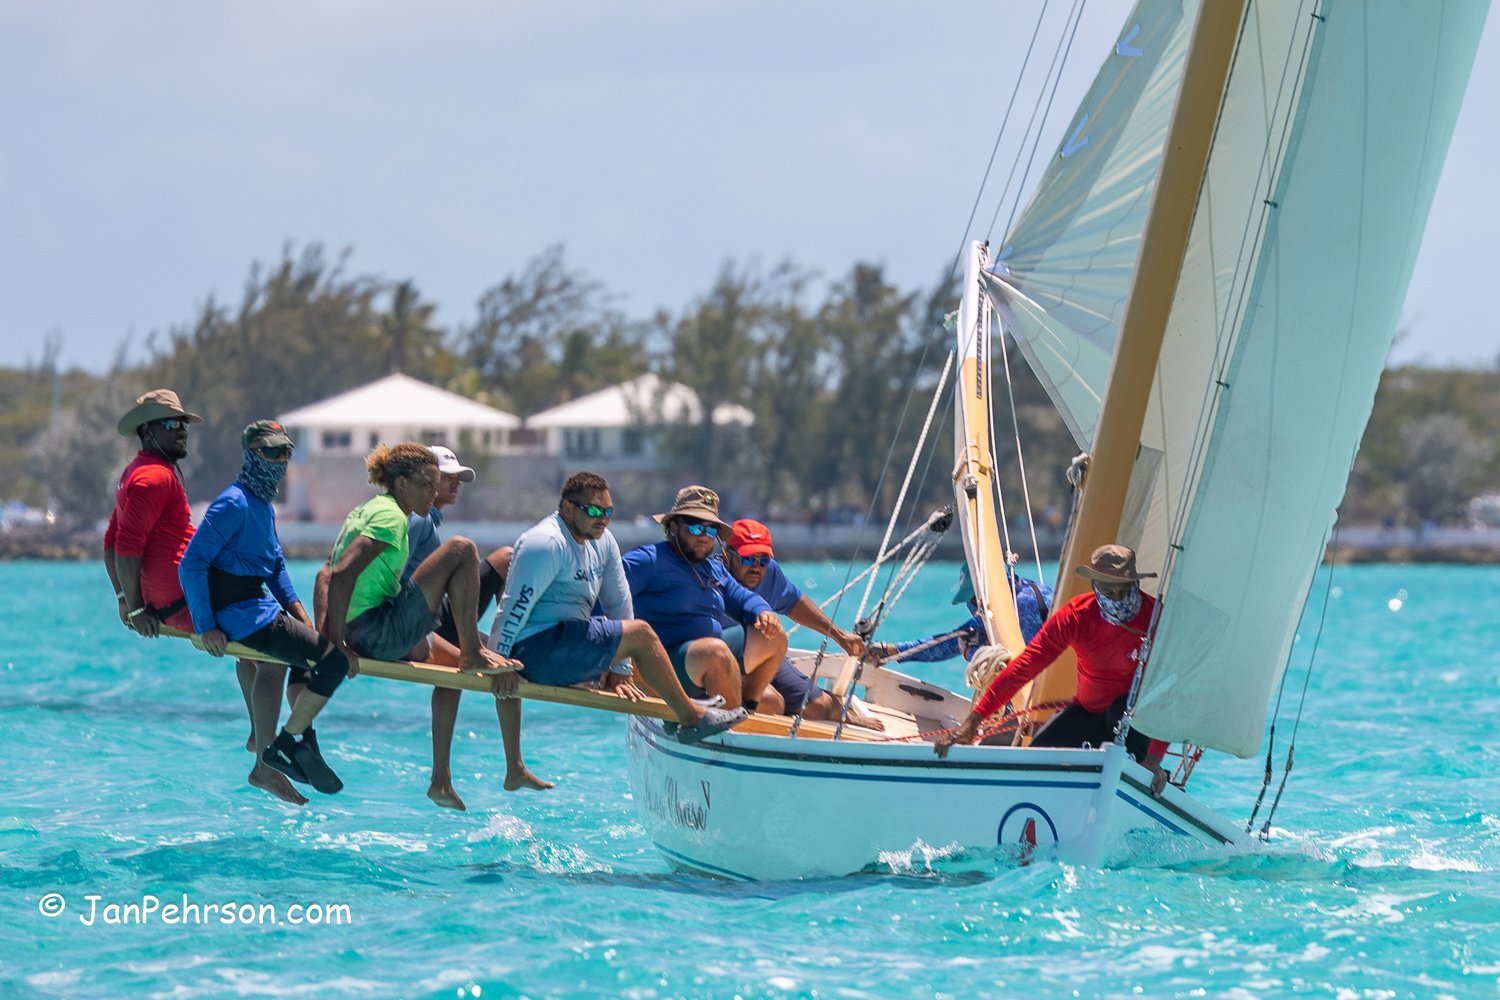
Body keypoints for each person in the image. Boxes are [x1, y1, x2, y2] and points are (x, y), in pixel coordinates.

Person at [489, 472, 747, 749]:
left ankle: (676, 708)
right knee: (642, 633)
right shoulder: (545, 544)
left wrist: (621, 669)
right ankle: (690, 715)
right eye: (592, 510)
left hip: (568, 644)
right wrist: (499, 664)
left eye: (608, 511)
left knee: (637, 633)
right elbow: (512, 608)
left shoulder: (604, 540)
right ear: (567, 508)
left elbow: (619, 603)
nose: (602, 518)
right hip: (535, 651)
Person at [179, 421, 349, 801]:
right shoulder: (233, 503)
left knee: (277, 662)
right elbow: (191, 565)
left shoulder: (262, 505)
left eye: (286, 452)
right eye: (271, 452)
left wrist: (300, 614)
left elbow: (275, 568)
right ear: (251, 454)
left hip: (257, 607)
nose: (280, 459)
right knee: (332, 663)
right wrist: (206, 626)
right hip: (236, 613)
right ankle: (283, 746)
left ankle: (268, 742)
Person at [104, 389, 264, 760]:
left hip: (184, 591)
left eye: (183, 425)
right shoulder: (153, 479)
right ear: (147, 432)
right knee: (271, 641)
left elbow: (110, 541)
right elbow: (124, 548)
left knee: (257, 639)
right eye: (171, 425)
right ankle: (264, 746)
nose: (181, 431)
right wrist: (137, 608)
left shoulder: (137, 473)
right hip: (183, 599)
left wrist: (124, 598)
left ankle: (260, 734)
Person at [935, 544, 1169, 792]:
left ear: (1135, 583)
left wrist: (1154, 759)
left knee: (1121, 710)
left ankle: (1139, 771)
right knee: (1037, 759)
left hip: (1135, 720)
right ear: (1094, 585)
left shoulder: (1157, 619)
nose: (1116, 596)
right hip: (1087, 711)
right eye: (1107, 588)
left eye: (1122, 588)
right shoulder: (1077, 615)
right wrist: (973, 721)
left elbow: (1173, 692)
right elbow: (1023, 668)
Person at [403, 445, 531, 808]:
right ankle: (454, 776)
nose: (456, 483)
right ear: (425, 479)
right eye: (448, 478)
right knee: (470, 660)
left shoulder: (429, 519)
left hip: (435, 612)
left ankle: (445, 779)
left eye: (458, 478)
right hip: (421, 618)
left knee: (507, 558)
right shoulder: (418, 520)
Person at [622, 487, 787, 711]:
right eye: (696, 527)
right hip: (665, 663)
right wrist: (611, 665)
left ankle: (744, 706)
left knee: (774, 638)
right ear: (673, 527)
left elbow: (741, 598)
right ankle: (725, 724)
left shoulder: (712, 568)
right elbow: (606, 594)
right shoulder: (648, 561)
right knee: (715, 652)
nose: (703, 536)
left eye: (711, 531)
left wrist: (763, 612)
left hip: (709, 656)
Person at [717, 518, 884, 730]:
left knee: (820, 707)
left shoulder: (770, 573)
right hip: (726, 661)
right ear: (726, 556)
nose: (756, 568)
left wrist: (839, 636)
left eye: (763, 560)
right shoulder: (713, 576)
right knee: (771, 703)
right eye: (748, 559)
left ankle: (818, 705)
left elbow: (795, 603)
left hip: (765, 657)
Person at [870, 563, 1052, 664]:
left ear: (986, 590)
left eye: (973, 599)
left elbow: (1016, 668)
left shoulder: (1026, 605)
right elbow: (953, 640)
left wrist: (971, 654)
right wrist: (892, 651)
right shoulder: (1007, 599)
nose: (972, 606)